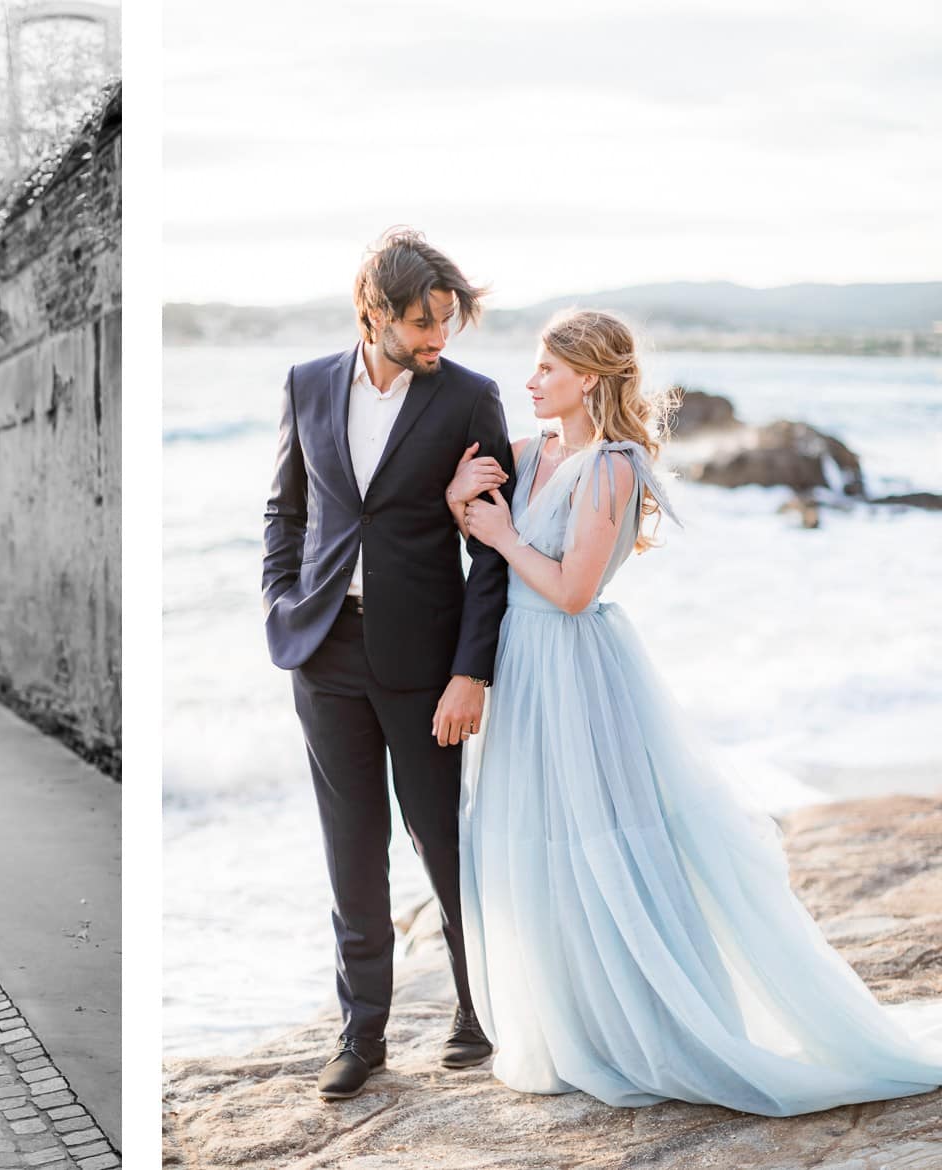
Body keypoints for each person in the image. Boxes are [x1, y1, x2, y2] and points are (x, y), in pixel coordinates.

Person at [450, 308, 942, 1114]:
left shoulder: (613, 465)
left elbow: (573, 591)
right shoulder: (527, 452)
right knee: (533, 843)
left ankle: (649, 1029)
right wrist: (458, 498)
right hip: (522, 673)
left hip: (576, 673)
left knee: (601, 844)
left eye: (546, 367)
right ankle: (571, 1026)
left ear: (589, 377)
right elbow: (479, 540)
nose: (531, 380)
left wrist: (503, 535)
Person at [262, 228, 517, 1101]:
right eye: (421, 322)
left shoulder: (471, 399)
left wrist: (470, 671)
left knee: (442, 841)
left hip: (427, 662)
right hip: (325, 649)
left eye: (446, 320)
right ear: (372, 312)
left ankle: (477, 1010)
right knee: (351, 847)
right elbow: (286, 509)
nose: (437, 337)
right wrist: (279, 600)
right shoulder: (306, 384)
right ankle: (361, 1033)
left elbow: (492, 550)